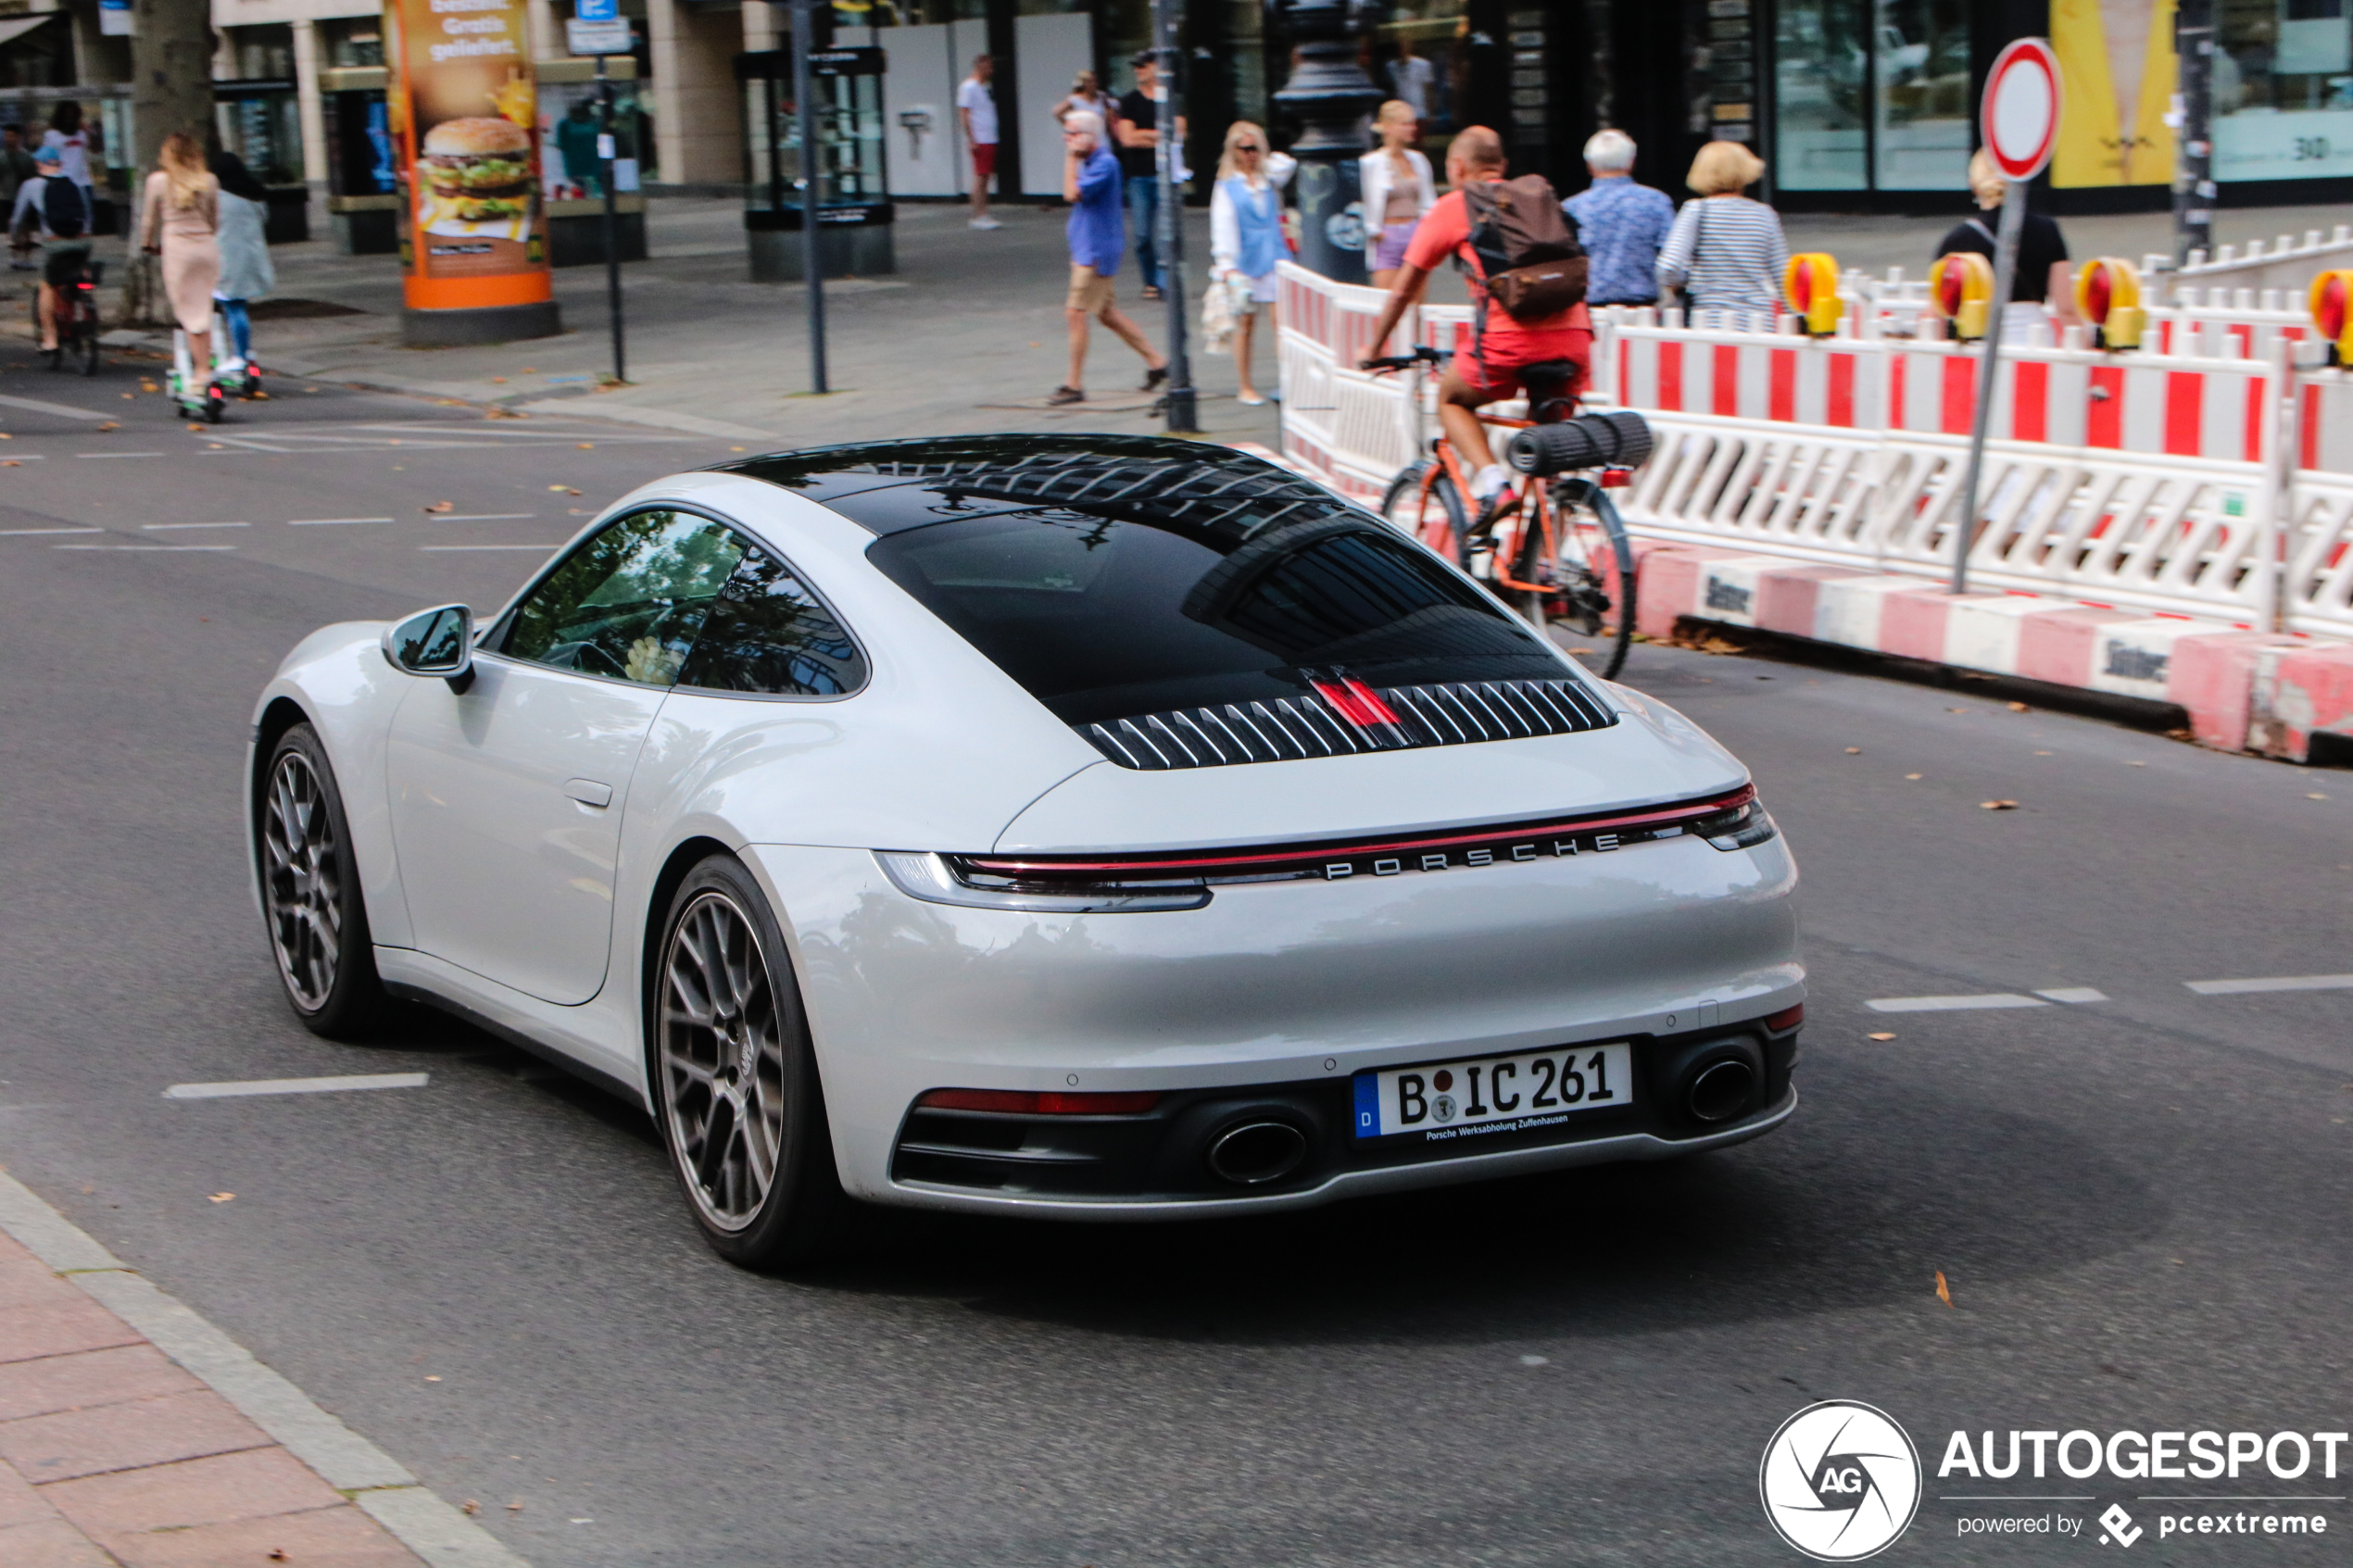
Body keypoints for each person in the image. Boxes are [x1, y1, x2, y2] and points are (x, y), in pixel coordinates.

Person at [1359, 125, 1591, 515]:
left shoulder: (1456, 205)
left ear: (1457, 167)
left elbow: (1403, 288)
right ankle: (1550, 563)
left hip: (1510, 341)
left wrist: (1375, 345)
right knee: (1547, 464)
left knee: (1450, 398)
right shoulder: (1539, 200)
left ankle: (1493, 486)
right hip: (1574, 338)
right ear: (1501, 165)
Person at [1050, 109, 1165, 407]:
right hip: (1087, 249)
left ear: (1090, 136)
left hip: (1095, 253)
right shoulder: (1091, 162)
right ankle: (1157, 362)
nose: (1067, 139)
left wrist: (1069, 157)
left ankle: (1073, 384)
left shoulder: (1104, 164)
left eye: (1073, 133)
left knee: (1075, 313)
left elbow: (1071, 193)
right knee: (1107, 314)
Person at [1936, 148, 2083, 341]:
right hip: (2035, 338)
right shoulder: (2047, 229)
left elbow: (1938, 311)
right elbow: (2065, 308)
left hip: (1981, 338)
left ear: (1974, 186)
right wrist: (2085, 351)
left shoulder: (1959, 238)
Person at [1655, 140, 1789, 322]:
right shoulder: (1765, 214)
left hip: (1711, 319)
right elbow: (1784, 276)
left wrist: (1684, 279)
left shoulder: (1697, 210)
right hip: (1758, 319)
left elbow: (1668, 268)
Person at [1209, 120, 1294, 406]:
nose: (1250, 154)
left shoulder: (1267, 180)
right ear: (1233, 151)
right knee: (1245, 323)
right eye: (1244, 149)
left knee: (1282, 323)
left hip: (1276, 255)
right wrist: (1227, 264)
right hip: (1245, 260)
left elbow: (1287, 164)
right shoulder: (1227, 187)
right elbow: (1224, 226)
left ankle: (1288, 382)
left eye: (1255, 148)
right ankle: (1245, 385)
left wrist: (1264, 159)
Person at [141, 131, 222, 387]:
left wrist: (148, 244)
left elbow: (148, 221)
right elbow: (214, 220)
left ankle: (201, 372)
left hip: (178, 250)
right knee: (203, 311)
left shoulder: (157, 181)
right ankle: (205, 367)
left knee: (189, 314)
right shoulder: (209, 180)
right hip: (206, 250)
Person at [1563, 128, 1674, 308]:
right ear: (1632, 162)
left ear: (1589, 165)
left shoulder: (1571, 207)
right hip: (1643, 308)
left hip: (1587, 308)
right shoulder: (1657, 202)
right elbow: (1671, 258)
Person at [1114, 50, 1186, 302]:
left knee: (1169, 232)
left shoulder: (1170, 99)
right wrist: (1158, 135)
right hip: (1139, 177)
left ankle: (1164, 282)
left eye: (1142, 66)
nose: (1138, 70)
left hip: (1167, 175)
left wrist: (1144, 134)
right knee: (1142, 236)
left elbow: (1178, 134)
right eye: (1136, 67)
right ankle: (1151, 279)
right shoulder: (1130, 101)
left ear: (1156, 67)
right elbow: (1126, 138)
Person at [11, 145, 89, 351]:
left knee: (47, 285)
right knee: (79, 273)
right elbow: (89, 216)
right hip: (83, 242)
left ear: (38, 164)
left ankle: (50, 339)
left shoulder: (31, 185)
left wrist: (14, 239)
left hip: (56, 244)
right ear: (60, 164)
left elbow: (17, 219)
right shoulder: (75, 183)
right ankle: (85, 304)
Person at [210, 145, 274, 375]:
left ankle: (239, 355)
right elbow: (263, 220)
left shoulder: (217, 198)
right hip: (250, 257)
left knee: (232, 307)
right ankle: (244, 353)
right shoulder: (254, 194)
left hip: (225, 260)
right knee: (239, 306)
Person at [1360, 99, 1435, 288]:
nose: (1412, 128)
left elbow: (1429, 200)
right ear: (1388, 128)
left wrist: (1425, 229)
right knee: (1387, 303)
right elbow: (1364, 200)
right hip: (1388, 236)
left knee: (1416, 304)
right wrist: (1374, 232)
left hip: (1415, 234)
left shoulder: (1418, 160)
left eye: (1412, 123)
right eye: (1405, 124)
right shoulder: (1371, 163)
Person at [956, 55, 1000, 231]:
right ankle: (978, 215)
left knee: (986, 176)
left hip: (989, 136)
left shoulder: (983, 87)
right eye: (988, 67)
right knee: (980, 177)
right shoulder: (969, 87)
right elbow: (964, 114)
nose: (991, 71)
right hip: (980, 138)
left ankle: (984, 213)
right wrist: (971, 138)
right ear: (980, 67)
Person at [43, 102, 94, 228]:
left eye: (73, 115)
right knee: (65, 214)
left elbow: (94, 149)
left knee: (87, 214)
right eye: (67, 115)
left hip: (83, 182)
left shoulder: (82, 134)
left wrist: (88, 132)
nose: (70, 118)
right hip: (62, 182)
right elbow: (46, 159)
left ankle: (84, 234)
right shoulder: (51, 135)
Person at [2, 125, 39, 270]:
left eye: (12, 135)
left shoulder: (26, 157)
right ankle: (16, 257)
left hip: (25, 197)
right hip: (8, 197)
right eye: (7, 135)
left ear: (19, 137)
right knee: (13, 228)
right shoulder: (2, 157)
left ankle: (26, 258)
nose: (8, 138)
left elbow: (33, 176)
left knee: (27, 229)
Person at [555, 98, 603, 197]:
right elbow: (561, 145)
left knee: (592, 193)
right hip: (580, 168)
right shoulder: (565, 124)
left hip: (589, 167)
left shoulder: (594, 123)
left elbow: (561, 145)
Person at [1052, 70, 1116, 129]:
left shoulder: (1101, 96)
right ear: (1083, 83)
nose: (1093, 84)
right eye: (1089, 82)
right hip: (1083, 134)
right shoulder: (1075, 99)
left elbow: (1110, 111)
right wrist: (1071, 126)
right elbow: (1057, 113)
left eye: (1095, 81)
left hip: (1100, 135)